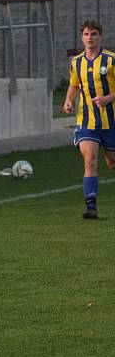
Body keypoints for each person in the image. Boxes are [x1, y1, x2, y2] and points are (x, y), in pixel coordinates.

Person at [63, 19, 115, 219]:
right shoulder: (76, 62)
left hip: (111, 121)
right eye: (86, 34)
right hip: (87, 121)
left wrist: (109, 97)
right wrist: (68, 100)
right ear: (81, 37)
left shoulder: (111, 60)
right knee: (90, 159)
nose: (90, 37)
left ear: (100, 36)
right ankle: (91, 206)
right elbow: (75, 85)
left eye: (93, 34)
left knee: (111, 163)